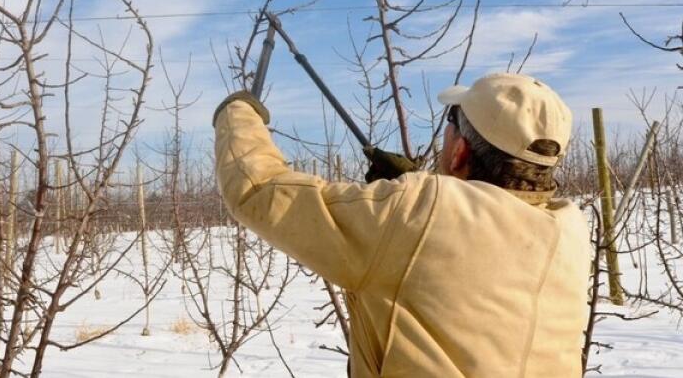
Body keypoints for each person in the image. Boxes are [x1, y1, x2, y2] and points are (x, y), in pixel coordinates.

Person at [213, 73, 591, 377]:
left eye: (452, 121)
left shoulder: (413, 212)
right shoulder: (569, 227)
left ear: (459, 152)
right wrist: (424, 189)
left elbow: (257, 189)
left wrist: (237, 112)